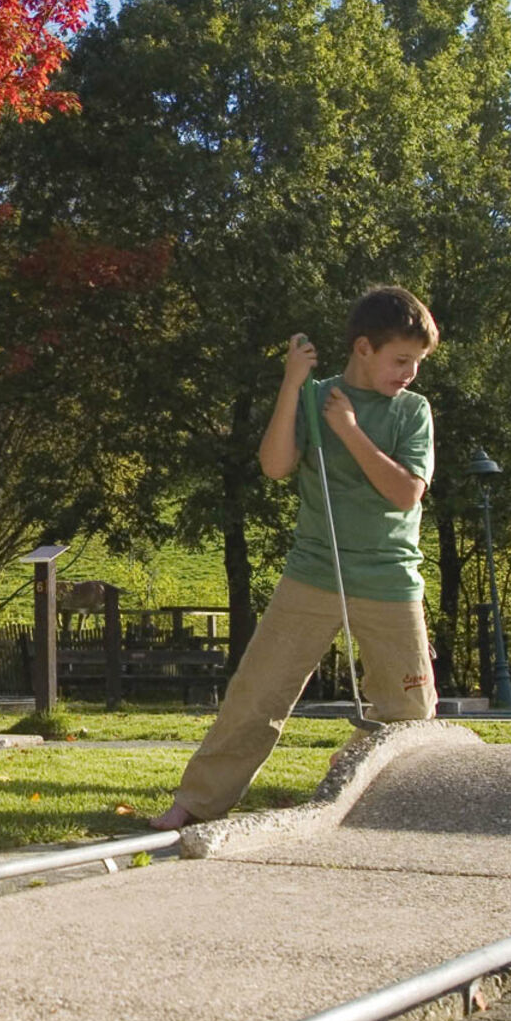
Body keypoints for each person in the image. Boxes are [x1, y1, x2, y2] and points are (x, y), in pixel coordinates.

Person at [151, 286, 440, 831]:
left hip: (389, 578)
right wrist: (292, 384)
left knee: (410, 712)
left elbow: (405, 493)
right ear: (363, 348)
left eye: (417, 362)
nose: (410, 373)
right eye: (401, 360)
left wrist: (349, 431)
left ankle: (399, 810)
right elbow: (276, 465)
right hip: (313, 573)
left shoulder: (412, 412)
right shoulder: (316, 397)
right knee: (256, 694)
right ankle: (197, 804)